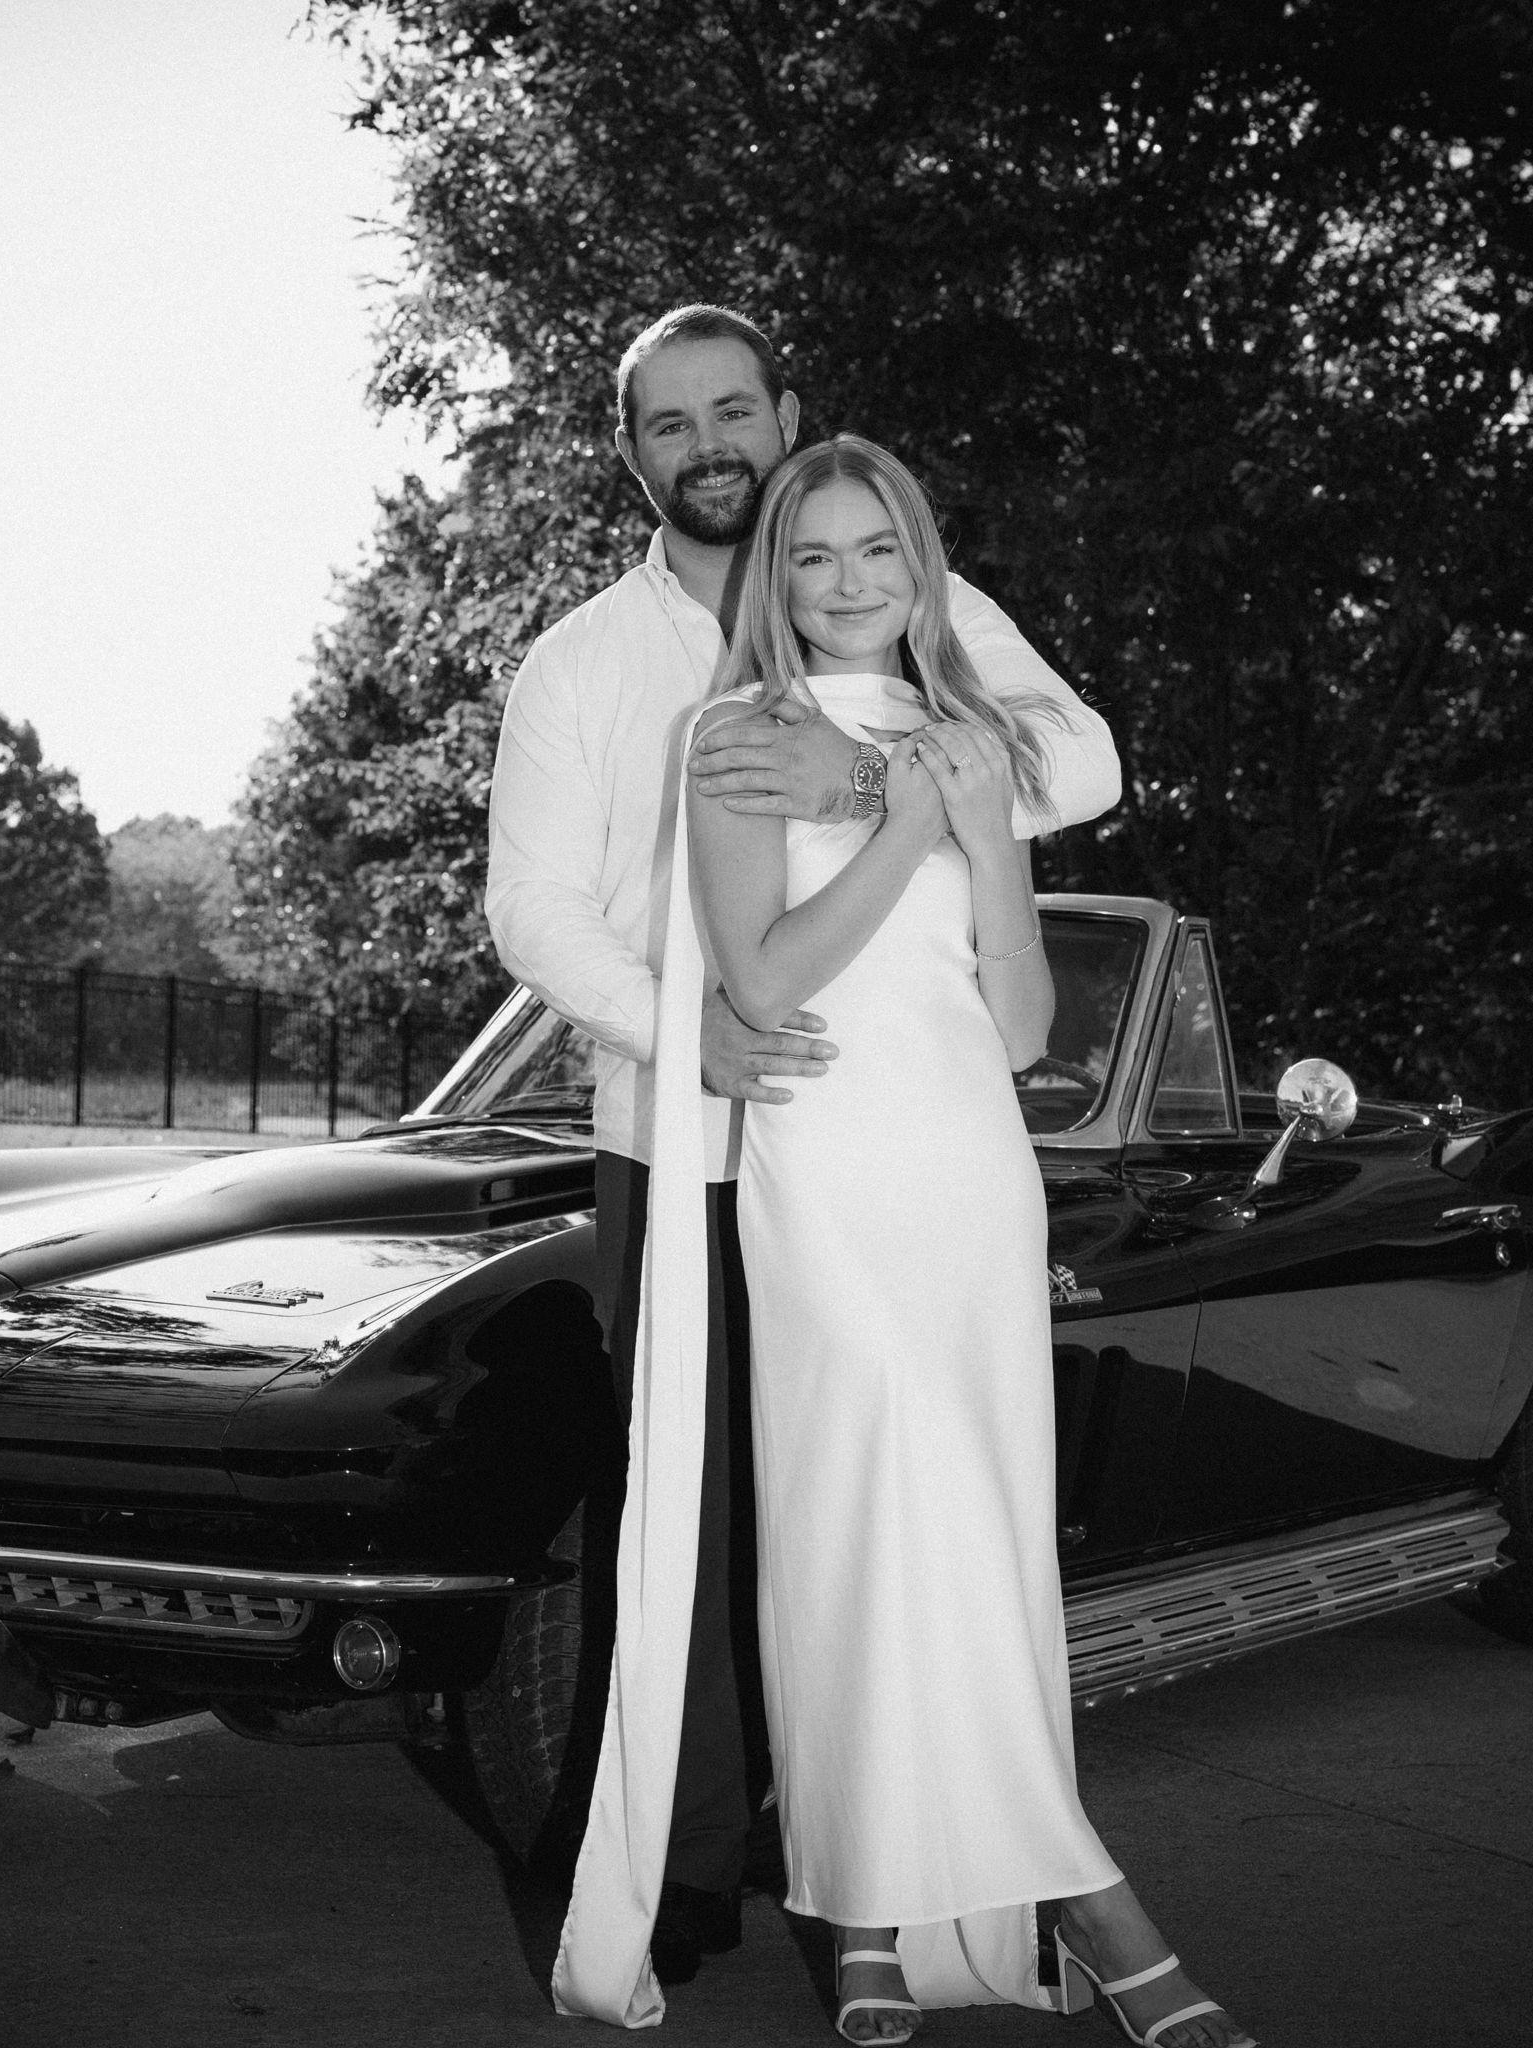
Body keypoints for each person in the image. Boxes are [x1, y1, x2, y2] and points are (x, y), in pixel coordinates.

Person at [489, 305, 1121, 2022]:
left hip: (889, 1137)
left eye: (732, 410)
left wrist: (872, 772)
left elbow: (1080, 755)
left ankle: (914, 1860)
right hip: (682, 1134)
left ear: (784, 415)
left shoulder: (906, 593)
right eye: (668, 423)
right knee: (687, 1521)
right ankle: (696, 1866)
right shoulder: (579, 664)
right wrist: (677, 1025)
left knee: (896, 1504)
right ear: (632, 454)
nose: (709, 444)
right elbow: (531, 904)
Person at [600, 430, 1254, 2048]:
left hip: (971, 1174)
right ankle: (1052, 1907)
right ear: (776, 575)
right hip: (829, 1178)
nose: (847, 584)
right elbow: (763, 980)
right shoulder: (736, 736)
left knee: (983, 1544)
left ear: (924, 566)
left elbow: (1019, 1025)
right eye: (813, 555)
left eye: (877, 550)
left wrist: (984, 835)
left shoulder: (978, 742)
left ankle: (900, 1912)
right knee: (853, 1531)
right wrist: (910, 823)